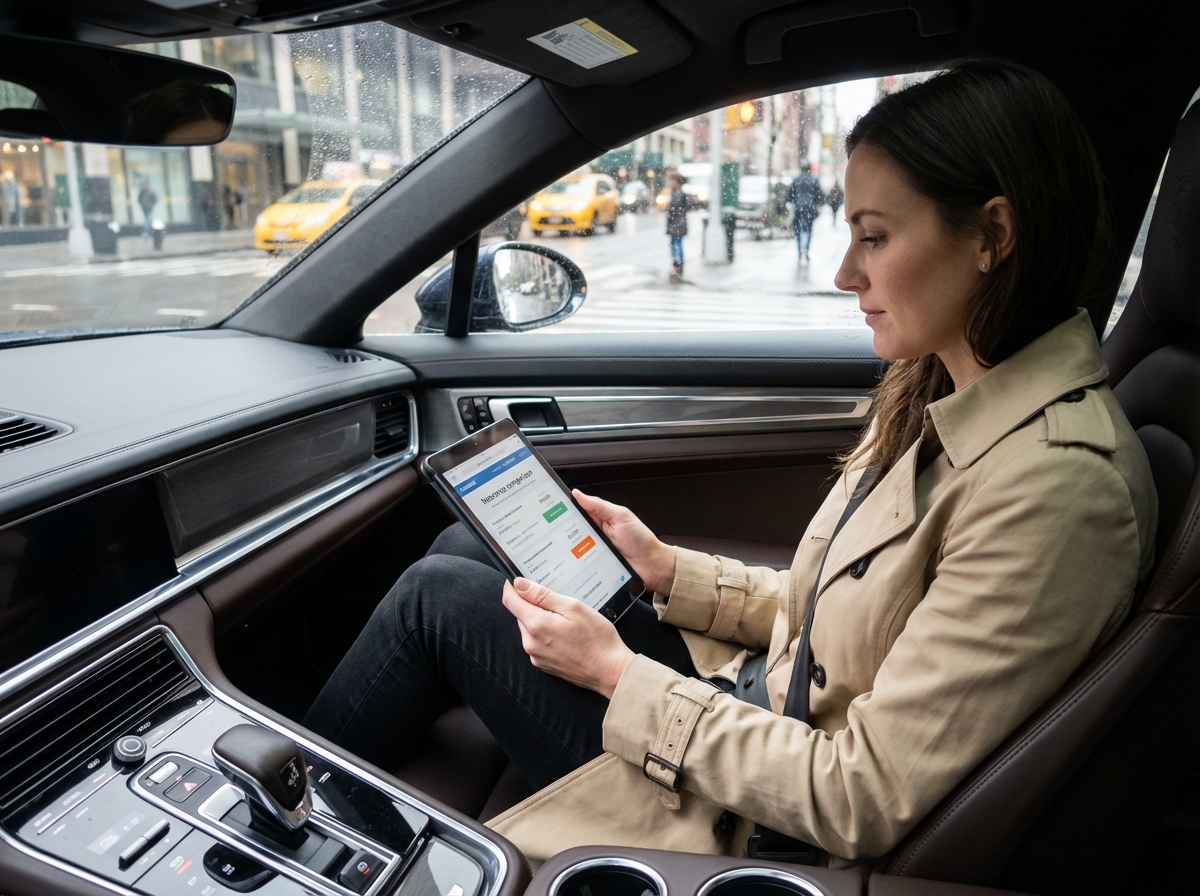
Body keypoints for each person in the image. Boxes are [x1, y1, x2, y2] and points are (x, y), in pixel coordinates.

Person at [304, 61, 1156, 867]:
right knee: (466, 549)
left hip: (753, 817)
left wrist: (613, 671)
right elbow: (842, 615)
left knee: (432, 600)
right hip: (755, 707)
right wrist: (668, 569)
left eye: (874, 236)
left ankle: (282, 825)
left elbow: (861, 794)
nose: (843, 271)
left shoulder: (1056, 485)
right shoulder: (953, 398)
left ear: (992, 236)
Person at [789, 161, 822, 260]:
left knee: (798, 229)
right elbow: (819, 195)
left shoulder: (796, 180)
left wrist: (793, 203)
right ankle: (806, 249)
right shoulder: (813, 180)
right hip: (810, 208)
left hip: (798, 208)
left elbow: (790, 194)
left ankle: (799, 249)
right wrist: (816, 204)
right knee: (809, 229)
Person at [665, 171, 688, 282]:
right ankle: (677, 264)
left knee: (676, 245)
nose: (671, 183)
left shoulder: (678, 194)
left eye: (673, 181)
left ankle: (678, 265)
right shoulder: (677, 193)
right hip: (677, 225)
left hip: (677, 225)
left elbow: (674, 211)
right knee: (675, 244)